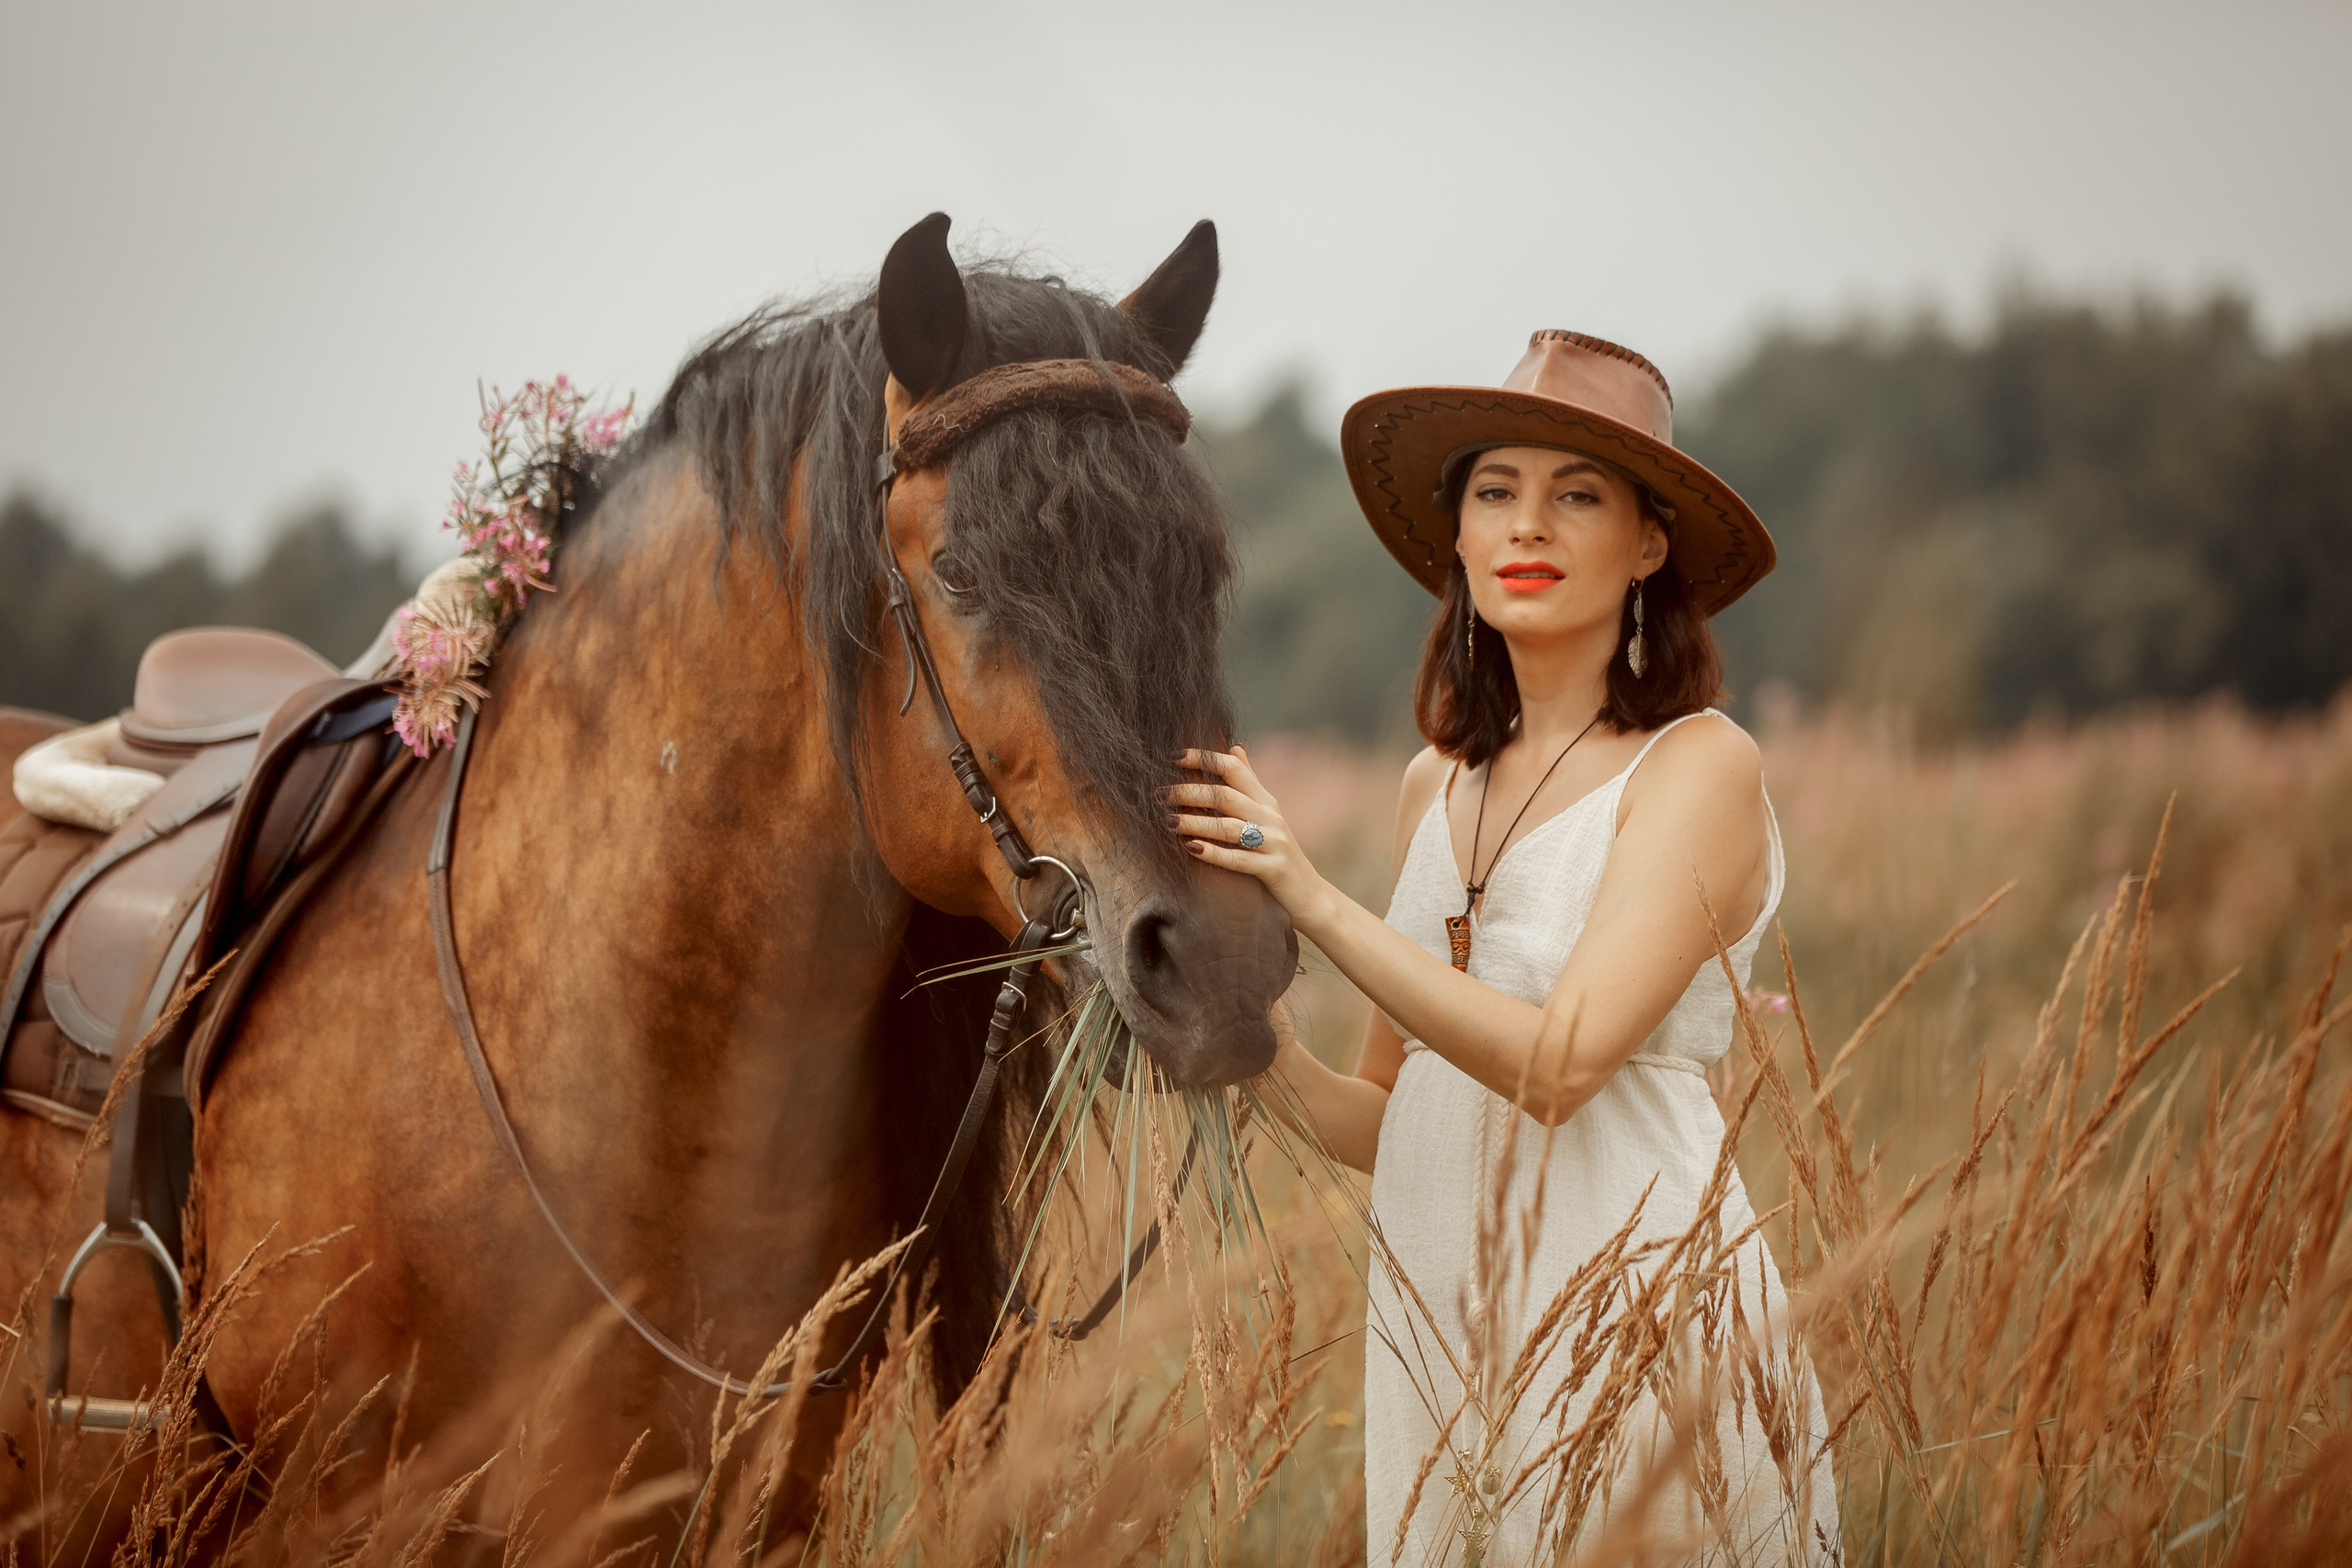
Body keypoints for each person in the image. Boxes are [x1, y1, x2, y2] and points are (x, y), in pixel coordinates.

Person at [1169, 332, 1837, 1563]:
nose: (1528, 526)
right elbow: (1389, 1112)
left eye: (1576, 495)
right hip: (1447, 1339)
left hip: (1637, 1324)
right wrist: (1215, 1020)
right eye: (1496, 493)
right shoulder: (1439, 786)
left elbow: (1560, 1067)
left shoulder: (1698, 767)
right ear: (1461, 539)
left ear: (1649, 544)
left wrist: (1311, 897)